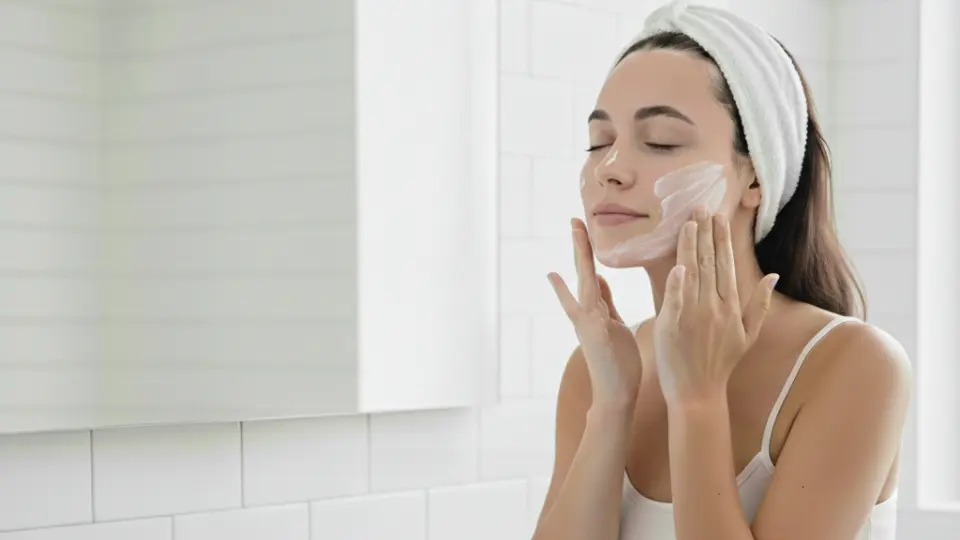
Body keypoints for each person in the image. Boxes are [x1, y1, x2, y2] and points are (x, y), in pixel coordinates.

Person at [531, 2, 911, 540]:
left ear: (755, 177)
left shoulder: (854, 365)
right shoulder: (593, 372)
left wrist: (699, 400)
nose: (611, 168)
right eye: (599, 143)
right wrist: (612, 405)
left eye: (660, 140)